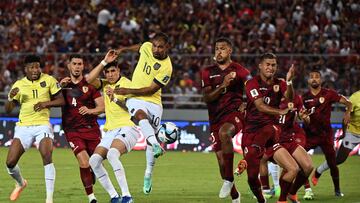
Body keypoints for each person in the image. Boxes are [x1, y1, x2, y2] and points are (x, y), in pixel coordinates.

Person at [113, 32, 173, 194]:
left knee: (149, 139)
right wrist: (123, 49)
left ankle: (148, 174)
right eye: (154, 45)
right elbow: (139, 47)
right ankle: (155, 144)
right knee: (140, 115)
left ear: (167, 47)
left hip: (153, 101)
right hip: (134, 98)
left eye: (160, 46)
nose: (155, 49)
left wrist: (126, 89)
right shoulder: (147, 47)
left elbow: (150, 90)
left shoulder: (167, 68)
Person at [240, 53, 299, 203]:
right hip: (251, 135)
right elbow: (260, 106)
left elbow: (290, 97)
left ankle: (282, 200)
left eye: (273, 65)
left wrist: (289, 81)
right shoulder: (251, 83)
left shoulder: (279, 83)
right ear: (260, 65)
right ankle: (262, 200)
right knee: (252, 177)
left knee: (293, 169)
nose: (270, 68)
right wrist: (280, 111)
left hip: (270, 135)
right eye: (267, 64)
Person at [5, 55, 65, 203]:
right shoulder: (19, 84)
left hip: (42, 124)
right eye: (31, 67)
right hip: (23, 127)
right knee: (10, 163)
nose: (35, 70)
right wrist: (10, 99)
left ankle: (49, 199)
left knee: (46, 154)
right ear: (25, 69)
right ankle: (21, 183)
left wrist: (46, 104)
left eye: (37, 66)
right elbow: (8, 109)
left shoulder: (49, 80)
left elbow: (61, 100)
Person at [200, 37, 251, 203]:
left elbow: (253, 88)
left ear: (230, 51)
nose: (218, 52)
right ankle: (235, 195)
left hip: (234, 113)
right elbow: (207, 98)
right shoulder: (207, 71)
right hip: (215, 118)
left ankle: (228, 180)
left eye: (222, 48)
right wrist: (222, 85)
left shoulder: (240, 70)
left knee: (225, 132)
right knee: (222, 164)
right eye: (216, 48)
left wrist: (247, 104)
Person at [87, 50, 137, 203]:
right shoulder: (105, 84)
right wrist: (103, 61)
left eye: (112, 71)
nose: (109, 74)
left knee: (112, 155)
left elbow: (133, 109)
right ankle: (114, 197)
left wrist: (114, 98)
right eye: (107, 72)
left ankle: (127, 196)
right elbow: (89, 79)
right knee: (94, 161)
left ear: (118, 71)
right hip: (110, 130)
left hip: (128, 127)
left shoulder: (127, 84)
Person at [59, 55, 105, 203]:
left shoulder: (90, 85)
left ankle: (92, 172)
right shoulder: (63, 85)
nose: (77, 66)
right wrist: (59, 87)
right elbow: (50, 98)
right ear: (69, 66)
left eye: (80, 64)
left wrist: (90, 111)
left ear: (83, 66)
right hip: (72, 131)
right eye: (74, 64)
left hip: (91, 130)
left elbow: (102, 107)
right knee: (83, 162)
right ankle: (92, 198)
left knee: (95, 163)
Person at [302, 69, 352, 198]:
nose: (314, 79)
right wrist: (302, 117)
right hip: (309, 135)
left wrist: (347, 113)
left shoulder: (329, 94)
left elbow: (348, 102)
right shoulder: (304, 97)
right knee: (298, 161)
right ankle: (306, 190)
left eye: (317, 77)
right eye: (311, 77)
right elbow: (299, 115)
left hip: (325, 135)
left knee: (332, 164)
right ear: (308, 80)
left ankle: (337, 190)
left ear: (321, 80)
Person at [260, 94, 314, 202]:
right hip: (274, 141)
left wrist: (305, 117)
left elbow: (305, 119)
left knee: (308, 167)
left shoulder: (296, 98)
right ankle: (281, 199)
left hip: (289, 139)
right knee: (293, 169)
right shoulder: (268, 97)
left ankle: (292, 193)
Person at [313, 90, 360, 190]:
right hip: (353, 133)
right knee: (339, 160)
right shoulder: (355, 98)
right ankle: (318, 171)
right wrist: (343, 133)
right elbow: (345, 118)